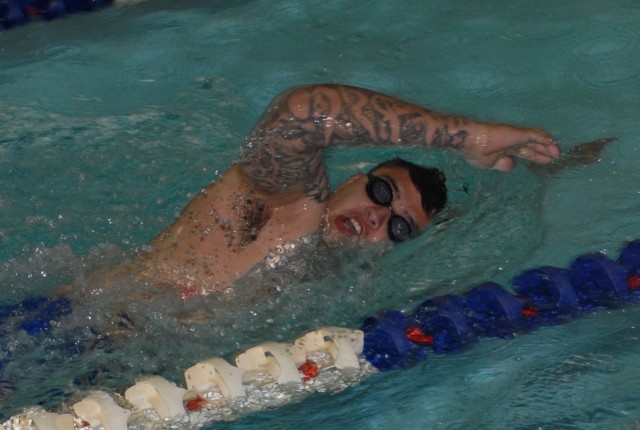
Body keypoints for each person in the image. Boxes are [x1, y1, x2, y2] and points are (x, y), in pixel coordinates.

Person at [132, 84, 559, 296]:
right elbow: (301, 113)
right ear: (353, 180)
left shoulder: (330, 281)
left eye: (399, 229)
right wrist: (471, 139)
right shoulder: (282, 210)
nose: (378, 217)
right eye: (381, 192)